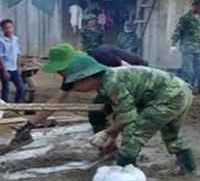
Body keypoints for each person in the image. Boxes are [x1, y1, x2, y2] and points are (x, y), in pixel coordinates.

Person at [63, 54, 196, 174]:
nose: (75, 89)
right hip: (180, 91)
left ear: (87, 78)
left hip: (168, 96)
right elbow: (120, 112)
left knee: (133, 133)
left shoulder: (111, 84)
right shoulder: (107, 79)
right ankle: (188, 170)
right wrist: (112, 139)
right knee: (171, 134)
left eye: (75, 84)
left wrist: (105, 133)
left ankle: (124, 176)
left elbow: (128, 117)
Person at [10, 44, 148, 147]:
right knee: (96, 114)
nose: (59, 74)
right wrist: (28, 126)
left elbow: (132, 73)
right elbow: (54, 103)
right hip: (113, 88)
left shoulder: (100, 56)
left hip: (137, 79)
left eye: (59, 70)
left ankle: (125, 155)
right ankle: (107, 148)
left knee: (125, 118)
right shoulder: (73, 74)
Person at [171, 0, 200, 93]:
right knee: (188, 72)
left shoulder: (199, 18)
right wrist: (173, 44)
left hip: (198, 48)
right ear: (194, 6)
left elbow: (198, 29)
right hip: (187, 49)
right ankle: (187, 91)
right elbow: (178, 30)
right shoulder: (185, 18)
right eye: (198, 6)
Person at [0, 19, 24, 103]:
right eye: (6, 28)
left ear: (13, 28)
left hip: (14, 68)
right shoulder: (1, 41)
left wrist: (18, 66)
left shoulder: (15, 39)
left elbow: (18, 53)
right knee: (6, 89)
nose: (8, 30)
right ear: (2, 29)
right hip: (6, 68)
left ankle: (17, 106)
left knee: (21, 88)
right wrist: (4, 71)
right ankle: (3, 108)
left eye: (10, 27)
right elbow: (1, 57)